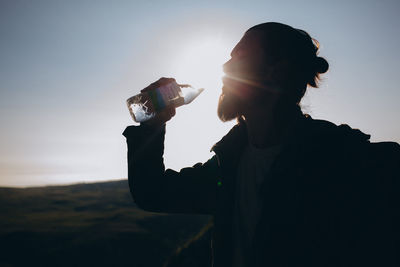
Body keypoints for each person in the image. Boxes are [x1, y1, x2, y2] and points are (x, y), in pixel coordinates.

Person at [123, 22, 400, 267]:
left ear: (276, 73)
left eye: (239, 57)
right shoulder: (228, 164)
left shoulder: (341, 159)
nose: (224, 67)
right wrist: (152, 125)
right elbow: (154, 193)